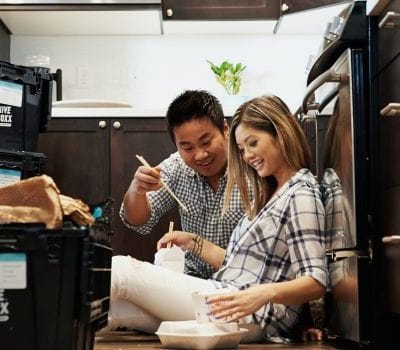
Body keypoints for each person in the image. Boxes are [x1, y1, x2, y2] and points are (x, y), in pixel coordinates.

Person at [110, 94, 327, 342]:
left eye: (253, 143)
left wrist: (264, 295)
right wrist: (192, 241)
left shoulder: (300, 191)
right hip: (228, 300)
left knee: (120, 270)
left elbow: (315, 279)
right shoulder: (270, 190)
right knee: (115, 308)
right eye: (243, 149)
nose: (247, 156)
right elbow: (241, 264)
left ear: (282, 133)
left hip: (245, 309)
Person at [120, 89, 247, 279]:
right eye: (187, 148)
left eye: (206, 142)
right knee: (121, 271)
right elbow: (138, 221)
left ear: (225, 129)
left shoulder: (251, 166)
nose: (200, 155)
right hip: (190, 279)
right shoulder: (176, 167)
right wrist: (136, 190)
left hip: (240, 282)